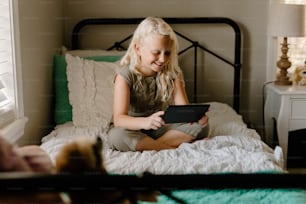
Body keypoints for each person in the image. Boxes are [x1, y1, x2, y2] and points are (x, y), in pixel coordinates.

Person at [107, 17, 209, 152]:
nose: (163, 59)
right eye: (156, 53)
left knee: (202, 126)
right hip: (132, 128)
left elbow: (183, 111)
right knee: (116, 136)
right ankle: (170, 148)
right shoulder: (125, 75)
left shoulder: (173, 73)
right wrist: (145, 122)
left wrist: (194, 117)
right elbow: (119, 119)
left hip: (162, 126)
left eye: (167, 53)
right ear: (138, 49)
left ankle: (151, 146)